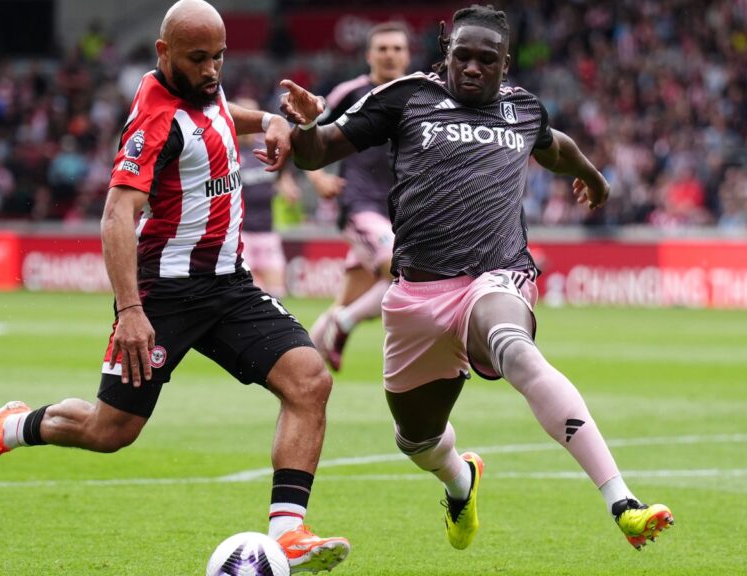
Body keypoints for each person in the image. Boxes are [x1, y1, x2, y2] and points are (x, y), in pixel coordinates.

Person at [0, 1, 350, 572]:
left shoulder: (200, 94)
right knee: (111, 431)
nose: (212, 70)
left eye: (220, 57)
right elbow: (115, 214)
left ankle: (287, 532)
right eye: (198, 58)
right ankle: (12, 426)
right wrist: (130, 309)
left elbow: (221, 112)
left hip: (229, 286)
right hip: (165, 296)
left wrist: (276, 121)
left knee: (310, 382)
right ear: (164, 54)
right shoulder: (155, 120)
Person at [279, 4, 673, 552]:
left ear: (505, 64)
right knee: (416, 440)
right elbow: (318, 151)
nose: (471, 68)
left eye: (486, 60)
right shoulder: (408, 97)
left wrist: (593, 177)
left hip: (496, 278)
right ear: (446, 54)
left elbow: (556, 148)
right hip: (417, 294)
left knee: (517, 350)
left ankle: (623, 502)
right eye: (461, 56)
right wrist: (303, 126)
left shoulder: (523, 111)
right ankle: (460, 481)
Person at [305, 22, 411, 371]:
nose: (390, 55)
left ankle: (305, 365)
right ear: (369, 55)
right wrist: (317, 176)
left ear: (407, 55)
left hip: (401, 212)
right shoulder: (350, 93)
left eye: (397, 48)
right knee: (401, 270)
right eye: (382, 49)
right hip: (360, 205)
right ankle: (345, 325)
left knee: (348, 300)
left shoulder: (419, 94)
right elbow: (306, 133)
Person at [234, 96, 300, 297]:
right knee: (246, 295)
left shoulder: (267, 148)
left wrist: (287, 187)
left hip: (267, 231)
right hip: (240, 234)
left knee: (276, 294)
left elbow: (282, 176)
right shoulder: (228, 150)